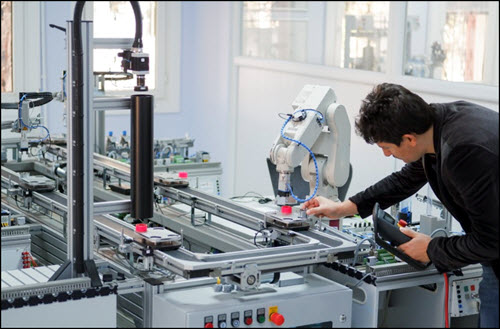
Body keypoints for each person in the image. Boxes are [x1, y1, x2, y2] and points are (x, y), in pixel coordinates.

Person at [302, 83, 498, 328]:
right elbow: (404, 180)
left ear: (408, 139)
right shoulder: (435, 125)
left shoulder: (464, 151)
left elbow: (492, 241)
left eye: (386, 148)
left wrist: (431, 248)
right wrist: (343, 207)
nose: (386, 155)